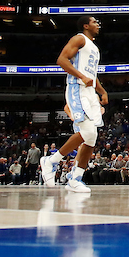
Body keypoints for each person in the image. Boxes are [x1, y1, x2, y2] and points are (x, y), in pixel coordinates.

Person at [41, 16, 109, 194]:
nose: (98, 24)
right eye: (95, 22)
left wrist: (102, 91)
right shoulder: (79, 38)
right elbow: (62, 60)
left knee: (91, 137)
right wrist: (81, 77)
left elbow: (91, 75)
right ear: (86, 25)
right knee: (87, 132)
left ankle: (75, 178)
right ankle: (51, 161)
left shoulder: (94, 47)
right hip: (77, 88)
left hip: (90, 91)